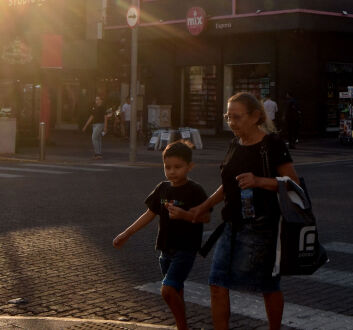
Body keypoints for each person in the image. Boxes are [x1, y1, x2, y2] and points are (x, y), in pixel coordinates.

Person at [189, 92, 300, 330]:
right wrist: (204, 206)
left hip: (263, 227)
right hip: (231, 225)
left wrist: (259, 181)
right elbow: (228, 185)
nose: (231, 123)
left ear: (255, 116)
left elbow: (293, 184)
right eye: (228, 117)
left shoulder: (272, 144)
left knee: (267, 286)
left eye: (237, 117)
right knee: (217, 283)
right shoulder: (234, 144)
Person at [113, 141, 210, 330]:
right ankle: (182, 325)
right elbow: (150, 213)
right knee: (175, 290)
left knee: (168, 290)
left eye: (178, 167)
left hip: (185, 249)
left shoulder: (195, 190)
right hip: (165, 249)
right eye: (168, 167)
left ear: (190, 167)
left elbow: (205, 217)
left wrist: (184, 215)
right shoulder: (163, 188)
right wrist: (127, 233)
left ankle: (183, 327)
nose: (172, 171)